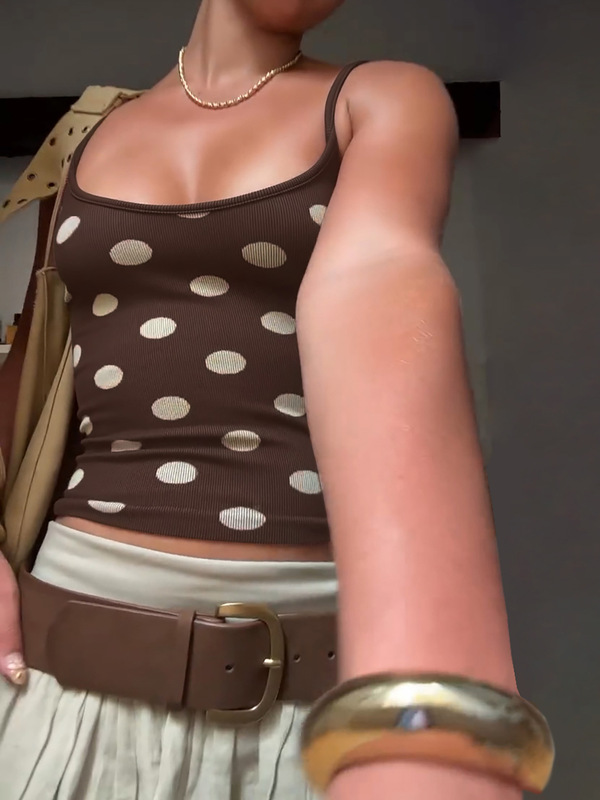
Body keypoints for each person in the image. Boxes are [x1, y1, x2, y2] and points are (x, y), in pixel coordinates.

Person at [0, 1, 553, 799]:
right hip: (62, 671)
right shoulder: (85, 132)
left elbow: (382, 293)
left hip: (306, 693)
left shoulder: (380, 98)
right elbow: (34, 362)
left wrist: (433, 713)